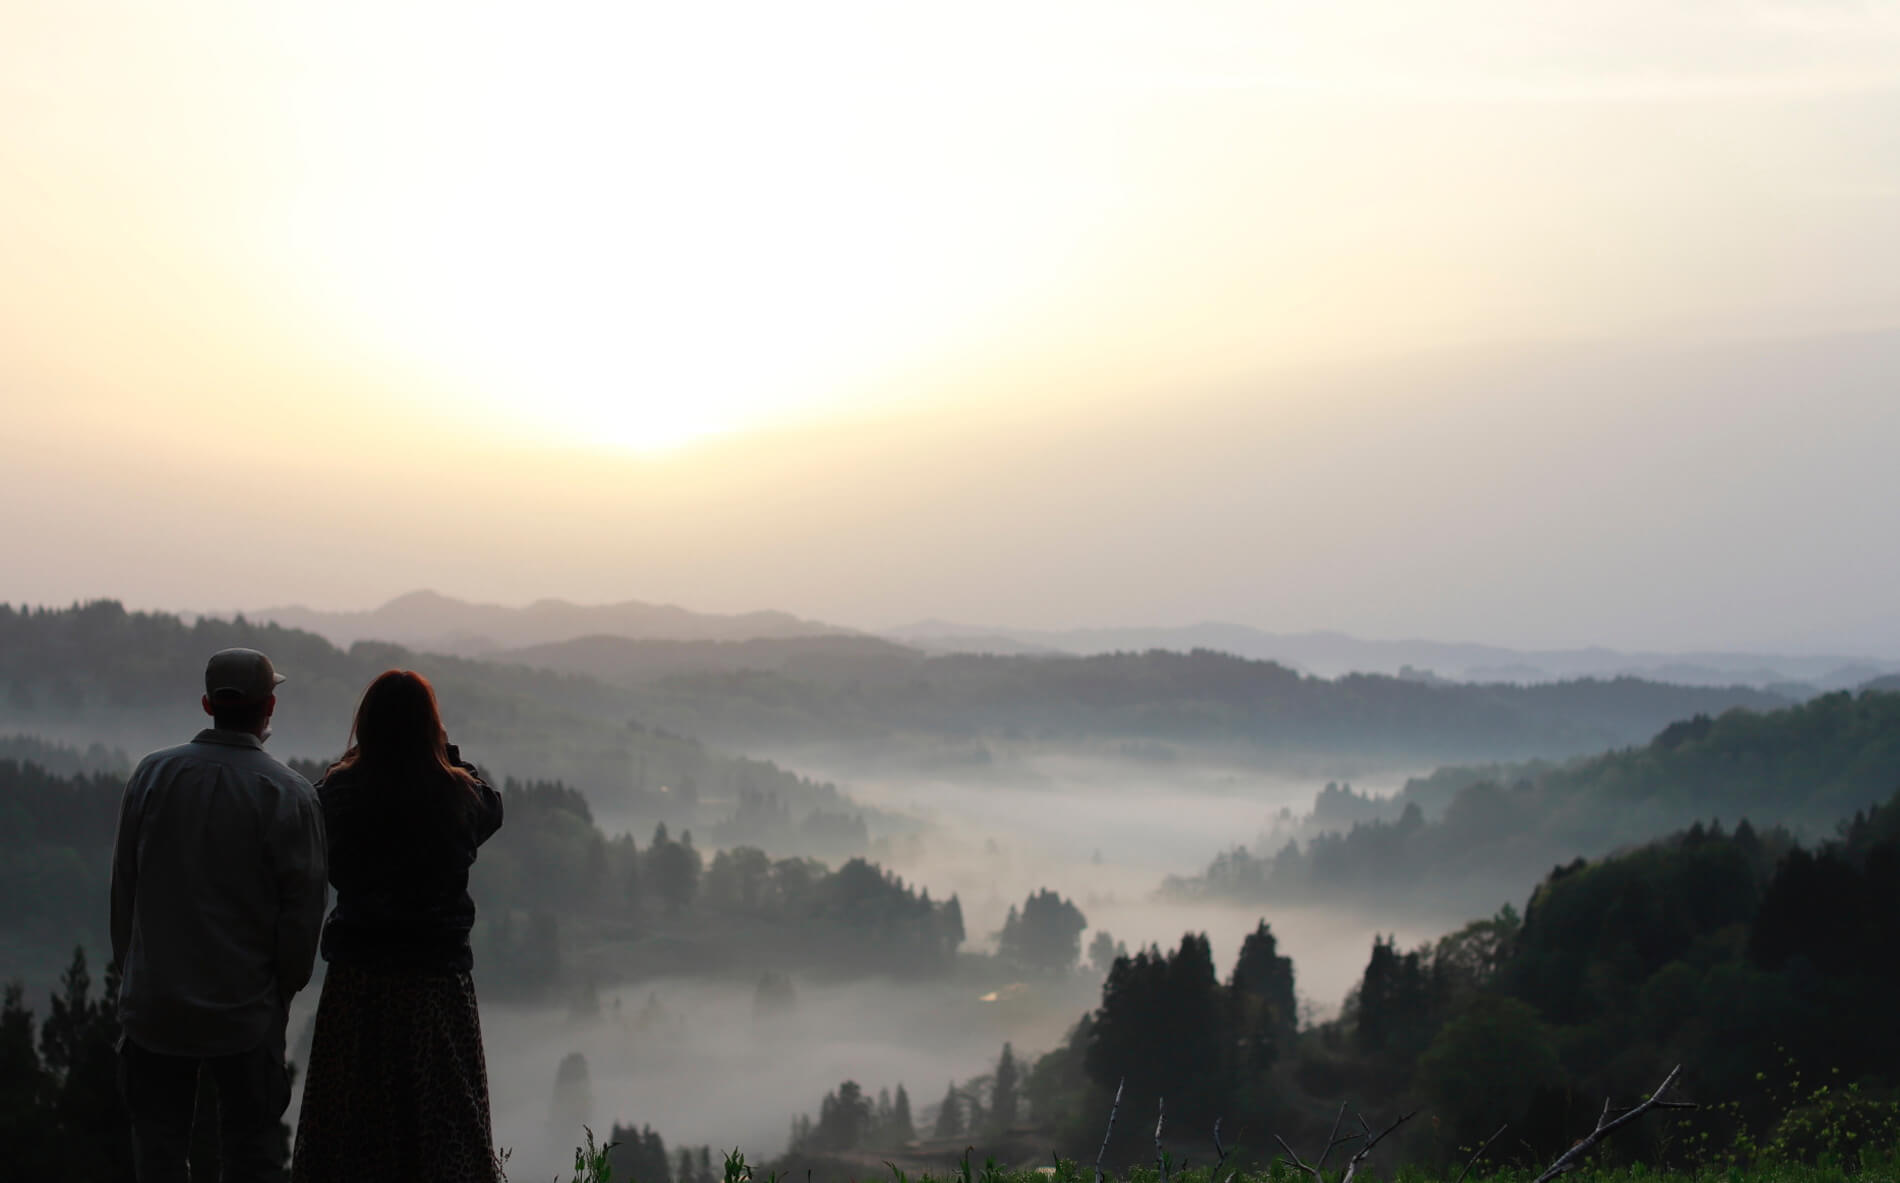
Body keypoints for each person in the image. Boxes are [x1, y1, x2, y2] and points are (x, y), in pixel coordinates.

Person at [111, 646, 329, 1183]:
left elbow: (124, 894)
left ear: (207, 703)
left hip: (155, 1006)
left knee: (158, 1154)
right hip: (246, 1011)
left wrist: (133, 978)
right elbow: (302, 920)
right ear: (269, 708)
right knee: (250, 1156)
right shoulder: (290, 795)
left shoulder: (152, 776)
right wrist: (282, 993)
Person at [291, 669, 505, 1183]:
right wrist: (446, 754)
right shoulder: (457, 796)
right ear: (430, 726)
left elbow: (318, 798)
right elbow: (492, 805)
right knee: (444, 1125)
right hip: (438, 981)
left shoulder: (340, 793)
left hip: (358, 981)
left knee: (350, 1124)